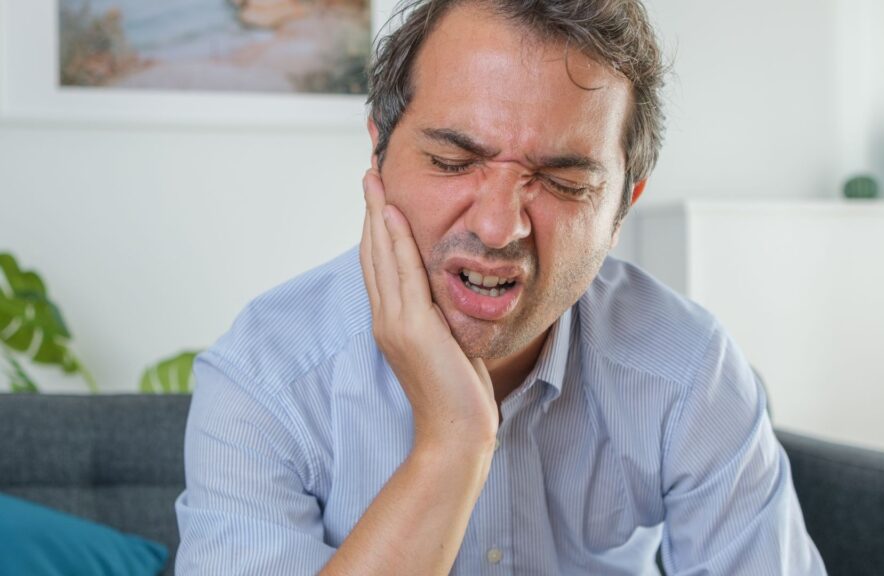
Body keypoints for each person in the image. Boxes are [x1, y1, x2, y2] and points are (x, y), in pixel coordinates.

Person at [174, 0, 826, 574]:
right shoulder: (265, 377)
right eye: (453, 161)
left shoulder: (689, 371)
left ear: (622, 209)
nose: (496, 225)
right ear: (378, 157)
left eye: (566, 182)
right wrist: (453, 441)